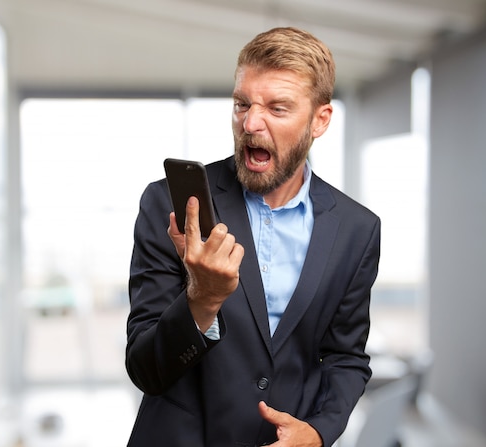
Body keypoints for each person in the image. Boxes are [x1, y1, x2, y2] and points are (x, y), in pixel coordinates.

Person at [125, 26, 380, 447]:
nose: (250, 122)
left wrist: (318, 432)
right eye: (242, 103)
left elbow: (346, 359)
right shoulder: (170, 204)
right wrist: (202, 298)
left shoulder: (357, 229)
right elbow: (145, 368)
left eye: (277, 108)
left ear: (320, 120)